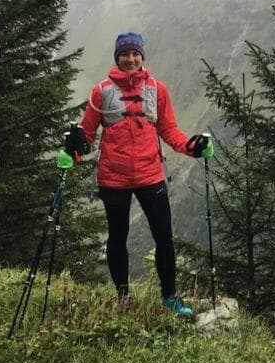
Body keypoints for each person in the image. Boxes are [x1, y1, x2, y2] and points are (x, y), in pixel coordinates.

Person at [63, 32, 211, 318]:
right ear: (117, 57)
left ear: (142, 56)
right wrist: (75, 149)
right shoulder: (101, 92)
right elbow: (88, 135)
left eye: (135, 54)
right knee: (118, 238)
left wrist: (189, 147)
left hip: (150, 174)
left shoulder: (158, 89)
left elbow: (168, 129)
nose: (130, 59)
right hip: (112, 177)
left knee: (164, 237)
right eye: (125, 54)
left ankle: (169, 297)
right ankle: (123, 298)